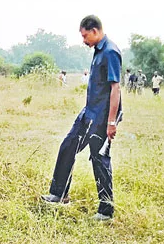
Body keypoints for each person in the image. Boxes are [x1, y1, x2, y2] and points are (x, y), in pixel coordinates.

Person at [41, 15, 121, 221]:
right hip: (88, 113)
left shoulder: (111, 52)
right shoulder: (98, 52)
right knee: (68, 147)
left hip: (101, 118)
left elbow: (115, 89)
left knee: (99, 159)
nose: (83, 41)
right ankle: (59, 194)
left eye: (85, 36)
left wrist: (111, 122)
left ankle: (106, 210)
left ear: (95, 31)